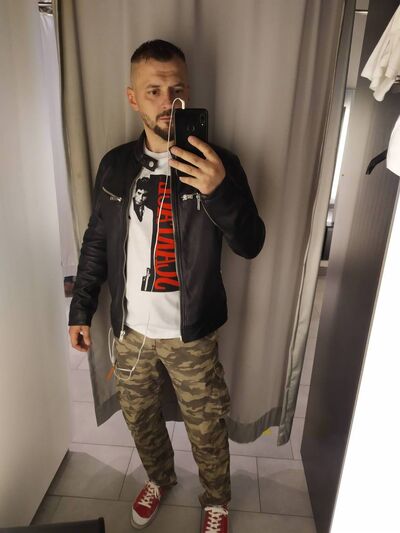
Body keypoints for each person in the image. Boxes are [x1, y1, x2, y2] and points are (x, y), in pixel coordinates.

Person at [69, 39, 265, 533]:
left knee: (206, 424)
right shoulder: (115, 165)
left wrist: (218, 192)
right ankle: (159, 478)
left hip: (190, 332)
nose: (167, 102)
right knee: (139, 417)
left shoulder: (217, 163)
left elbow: (251, 244)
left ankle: (216, 499)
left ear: (188, 94)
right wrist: (80, 308)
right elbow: (97, 242)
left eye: (176, 90)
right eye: (153, 90)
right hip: (129, 332)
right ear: (133, 98)